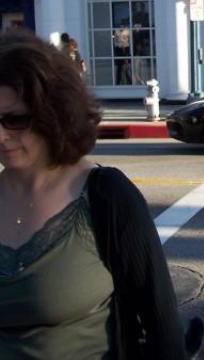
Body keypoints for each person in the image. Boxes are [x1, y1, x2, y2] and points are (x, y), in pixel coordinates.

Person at [0, 30, 187, 359]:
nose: (2, 136)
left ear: (53, 113)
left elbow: (163, 331)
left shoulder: (106, 197)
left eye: (15, 120)